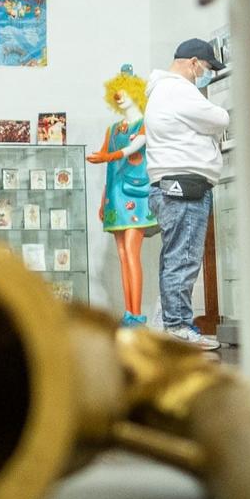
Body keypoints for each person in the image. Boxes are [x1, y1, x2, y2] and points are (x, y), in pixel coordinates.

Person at [144, 38, 229, 351]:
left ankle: (167, 324)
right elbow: (221, 119)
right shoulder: (177, 89)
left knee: (173, 257)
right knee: (184, 258)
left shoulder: (160, 91)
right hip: (184, 186)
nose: (205, 75)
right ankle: (178, 326)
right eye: (206, 69)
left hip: (171, 185)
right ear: (194, 63)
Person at [84, 65, 155, 328]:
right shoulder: (113, 129)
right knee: (123, 255)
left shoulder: (145, 124)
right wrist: (104, 198)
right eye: (116, 92)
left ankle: (136, 314)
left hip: (136, 194)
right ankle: (129, 312)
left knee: (133, 252)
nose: (119, 96)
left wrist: (106, 156)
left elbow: (131, 149)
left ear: (136, 92)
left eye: (125, 91)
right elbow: (109, 166)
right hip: (115, 195)